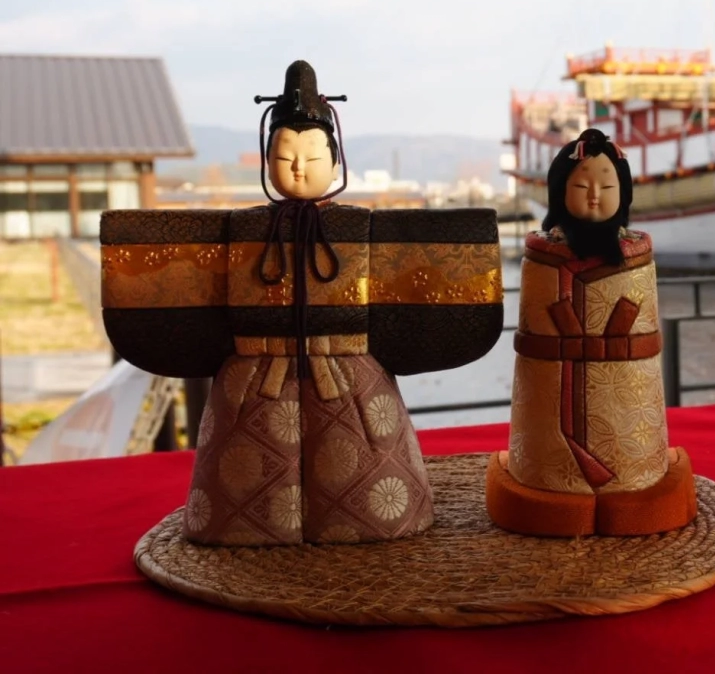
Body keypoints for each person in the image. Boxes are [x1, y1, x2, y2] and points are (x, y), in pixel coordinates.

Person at [100, 61, 504, 546]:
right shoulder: (242, 229)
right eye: (284, 155)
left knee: (364, 475)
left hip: (350, 370)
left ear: (335, 163)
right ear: (266, 161)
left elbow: (432, 279)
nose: (297, 167)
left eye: (312, 158)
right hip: (254, 372)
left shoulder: (361, 229)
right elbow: (173, 280)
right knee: (247, 473)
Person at [486, 128, 697, 536]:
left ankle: (634, 481)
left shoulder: (637, 252)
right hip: (551, 384)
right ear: (558, 193)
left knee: (628, 444)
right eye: (581, 185)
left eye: (607, 185)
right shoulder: (543, 254)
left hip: (627, 381)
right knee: (548, 443)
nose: (595, 194)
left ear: (625, 193)